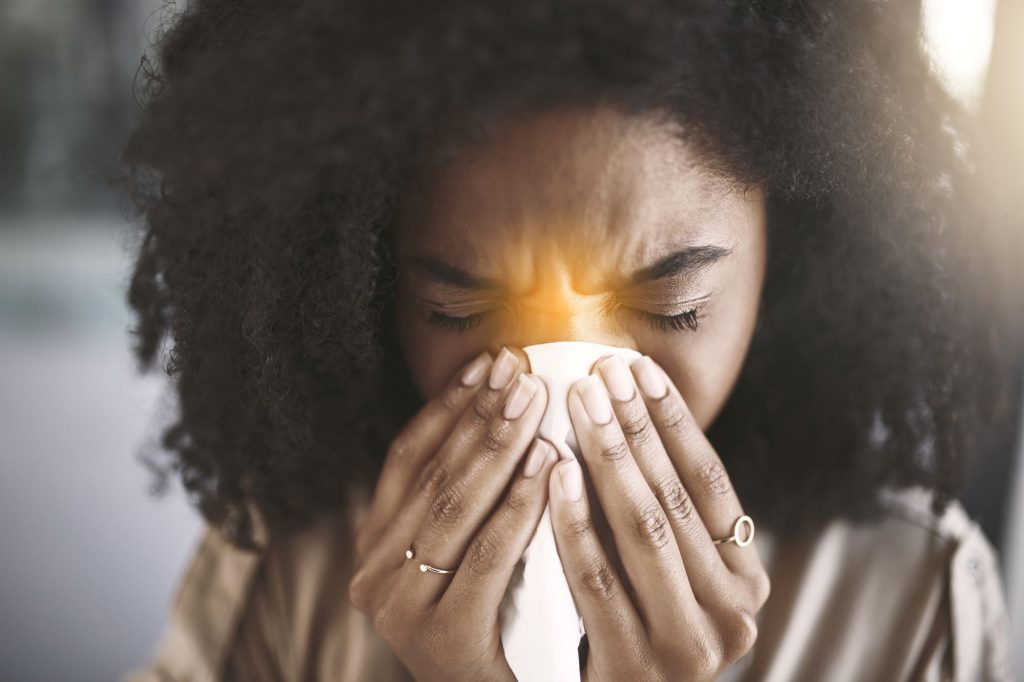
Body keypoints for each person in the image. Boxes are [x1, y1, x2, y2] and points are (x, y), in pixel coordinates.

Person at [117, 0, 1020, 679]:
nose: (563, 393)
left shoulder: (912, 603)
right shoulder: (286, 560)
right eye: (459, 310)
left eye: (670, 302)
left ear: (801, 248)